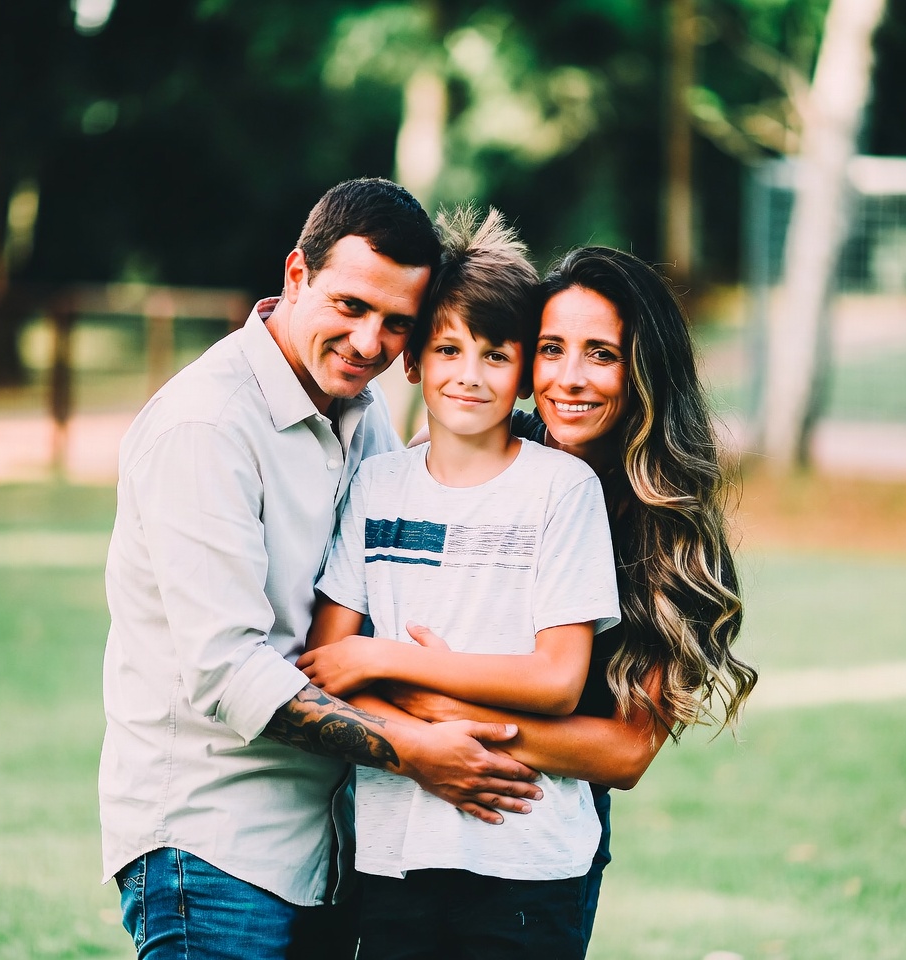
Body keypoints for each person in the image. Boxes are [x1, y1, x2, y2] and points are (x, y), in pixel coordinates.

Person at [98, 178, 544, 960]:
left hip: (331, 852)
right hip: (212, 848)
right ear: (296, 276)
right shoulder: (207, 426)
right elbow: (229, 671)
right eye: (351, 306)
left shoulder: (359, 415)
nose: (371, 343)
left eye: (397, 323)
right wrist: (414, 747)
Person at [379, 245, 759, 951]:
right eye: (552, 349)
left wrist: (447, 719)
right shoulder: (479, 452)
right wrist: (423, 741)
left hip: (539, 836)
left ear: (644, 369)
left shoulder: (666, 531)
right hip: (408, 824)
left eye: (602, 355)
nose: (570, 379)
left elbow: (624, 754)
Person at [298, 205, 621, 960]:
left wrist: (390, 658)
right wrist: (411, 720)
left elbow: (559, 680)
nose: (469, 374)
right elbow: (326, 665)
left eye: (496, 354)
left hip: (528, 853)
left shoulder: (563, 490)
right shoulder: (377, 486)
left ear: (524, 373)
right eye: (447, 349)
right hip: (392, 850)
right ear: (411, 361)